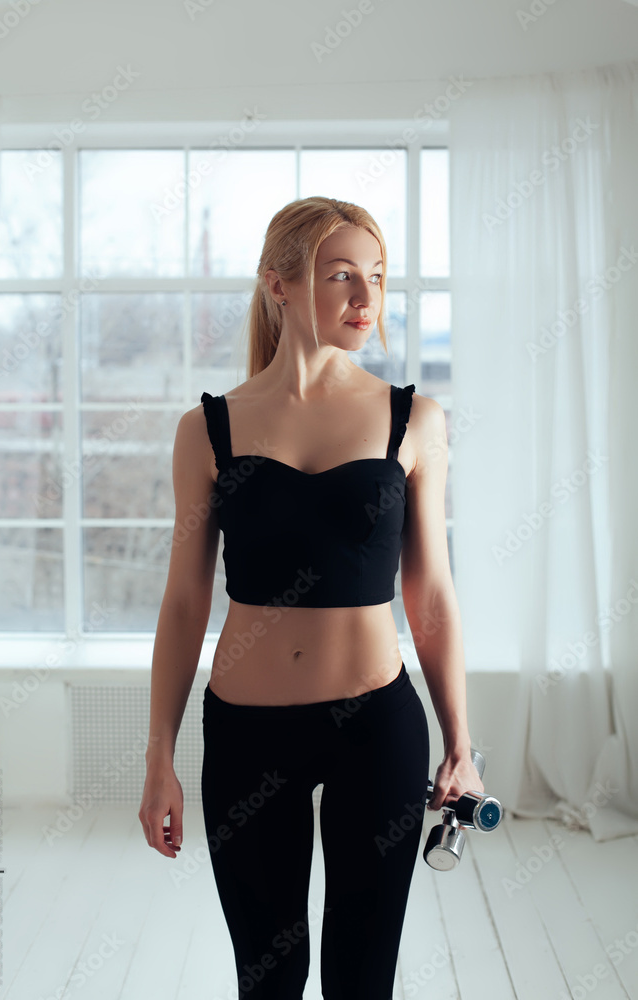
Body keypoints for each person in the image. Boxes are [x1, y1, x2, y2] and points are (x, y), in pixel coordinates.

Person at [139, 196, 483, 999]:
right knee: (268, 976)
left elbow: (428, 591)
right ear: (278, 285)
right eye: (340, 276)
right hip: (244, 734)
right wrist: (159, 753)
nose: (365, 298)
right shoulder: (209, 428)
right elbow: (184, 601)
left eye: (376, 276)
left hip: (377, 727)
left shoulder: (411, 420)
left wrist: (460, 741)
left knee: (361, 980)